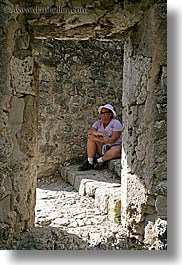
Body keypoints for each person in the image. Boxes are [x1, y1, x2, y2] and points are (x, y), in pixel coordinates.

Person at [79, 104, 122, 171]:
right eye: (102, 113)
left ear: (110, 114)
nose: (103, 114)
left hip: (114, 145)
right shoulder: (98, 123)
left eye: (105, 112)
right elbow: (90, 131)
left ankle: (98, 161)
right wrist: (100, 133)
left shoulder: (116, 123)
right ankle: (90, 162)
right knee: (90, 139)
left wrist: (96, 138)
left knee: (116, 151)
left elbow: (113, 140)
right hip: (102, 145)